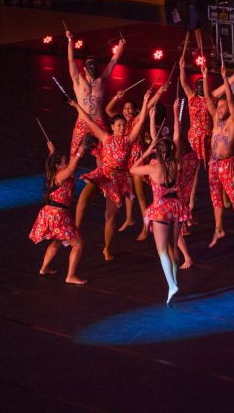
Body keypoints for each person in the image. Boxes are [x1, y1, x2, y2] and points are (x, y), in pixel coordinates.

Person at [70, 90, 150, 261]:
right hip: (103, 173)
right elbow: (90, 121)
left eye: (123, 126)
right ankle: (74, 229)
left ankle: (106, 248)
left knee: (110, 217)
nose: (121, 128)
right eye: (118, 126)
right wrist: (77, 106)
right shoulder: (106, 137)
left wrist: (145, 100)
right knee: (83, 198)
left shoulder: (129, 140)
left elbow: (142, 120)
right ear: (113, 127)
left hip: (117, 179)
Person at [130, 98, 192, 303]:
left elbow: (132, 169)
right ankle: (173, 282)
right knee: (173, 249)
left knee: (162, 251)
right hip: (177, 206)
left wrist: (147, 151)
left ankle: (172, 284)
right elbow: (175, 137)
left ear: (158, 151)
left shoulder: (153, 167)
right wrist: (175, 112)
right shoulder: (176, 163)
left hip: (162, 209)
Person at [179, 54, 234, 213]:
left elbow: (226, 84)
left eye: (203, 84)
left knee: (215, 166)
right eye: (199, 85)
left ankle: (224, 195)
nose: (201, 87)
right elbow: (183, 82)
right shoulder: (191, 97)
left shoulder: (212, 96)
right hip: (195, 139)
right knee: (193, 169)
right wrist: (181, 68)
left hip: (210, 138)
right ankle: (190, 201)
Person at [104, 82, 169, 241]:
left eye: (130, 109)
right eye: (125, 108)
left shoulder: (136, 121)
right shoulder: (121, 123)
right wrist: (116, 97)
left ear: (134, 111)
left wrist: (159, 92)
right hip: (126, 162)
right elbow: (108, 110)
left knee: (140, 195)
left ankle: (146, 227)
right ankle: (129, 219)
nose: (127, 111)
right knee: (129, 193)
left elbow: (148, 106)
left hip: (138, 159)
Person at [202, 62, 234, 249]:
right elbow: (207, 98)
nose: (219, 109)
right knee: (215, 198)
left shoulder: (233, 122)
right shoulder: (215, 119)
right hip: (214, 163)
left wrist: (225, 79)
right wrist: (205, 76)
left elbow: (230, 102)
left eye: (222, 107)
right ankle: (219, 228)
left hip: (227, 164)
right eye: (218, 107)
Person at [28, 140, 87, 285]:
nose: (66, 164)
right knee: (78, 244)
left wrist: (52, 152)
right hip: (58, 216)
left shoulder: (51, 173)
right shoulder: (61, 175)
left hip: (51, 213)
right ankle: (70, 276)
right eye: (64, 162)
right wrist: (80, 151)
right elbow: (72, 168)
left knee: (57, 241)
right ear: (58, 165)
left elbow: (53, 161)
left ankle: (44, 268)